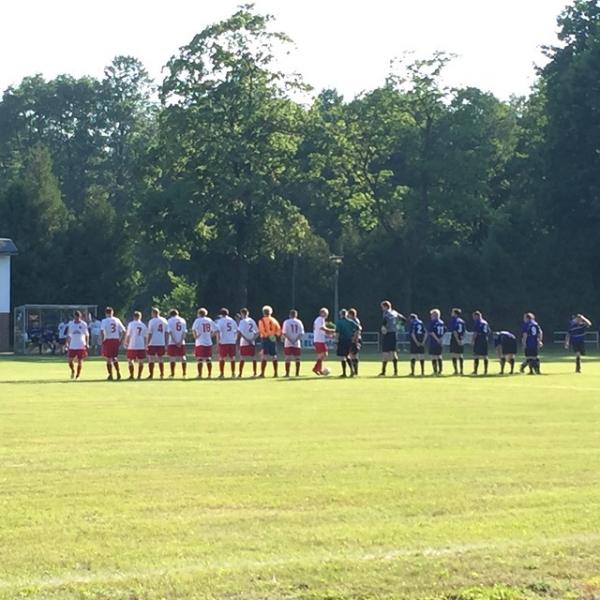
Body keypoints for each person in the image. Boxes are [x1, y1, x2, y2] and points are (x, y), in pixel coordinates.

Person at [379, 301, 405, 377]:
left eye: (382, 307)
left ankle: (383, 372)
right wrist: (398, 327)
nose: (382, 309)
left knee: (385, 353)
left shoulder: (386, 313)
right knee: (393, 352)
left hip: (387, 334)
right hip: (394, 334)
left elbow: (384, 323)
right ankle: (395, 371)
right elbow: (404, 320)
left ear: (386, 307)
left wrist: (383, 329)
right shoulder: (395, 312)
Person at [100, 306, 126, 380]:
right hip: (116, 340)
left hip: (108, 340)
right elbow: (124, 331)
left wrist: (102, 340)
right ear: (112, 312)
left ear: (106, 313)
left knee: (108, 358)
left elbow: (102, 331)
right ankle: (118, 372)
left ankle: (110, 374)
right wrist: (121, 340)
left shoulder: (104, 321)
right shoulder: (117, 320)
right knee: (114, 357)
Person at [192, 308, 217, 378]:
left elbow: (193, 329)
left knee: (199, 358)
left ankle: (200, 375)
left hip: (200, 341)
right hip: (208, 341)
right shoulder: (209, 320)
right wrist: (210, 336)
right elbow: (216, 330)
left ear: (199, 313)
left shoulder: (197, 320)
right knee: (208, 358)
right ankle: (209, 374)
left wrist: (195, 336)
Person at [335, 309, 360, 377]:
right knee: (347, 355)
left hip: (342, 340)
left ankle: (344, 373)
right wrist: (354, 337)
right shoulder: (350, 321)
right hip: (349, 341)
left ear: (341, 314)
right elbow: (358, 328)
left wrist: (336, 341)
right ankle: (352, 370)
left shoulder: (339, 322)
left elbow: (337, 332)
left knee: (342, 357)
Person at [258, 305, 281, 377]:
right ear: (270, 312)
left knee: (264, 355)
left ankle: (262, 373)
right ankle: (275, 373)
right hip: (272, 338)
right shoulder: (274, 320)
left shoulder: (261, 320)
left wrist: (266, 335)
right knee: (274, 355)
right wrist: (275, 335)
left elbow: (261, 330)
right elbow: (279, 329)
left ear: (263, 312)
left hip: (265, 338)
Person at [65, 310, 89, 380]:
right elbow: (68, 334)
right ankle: (72, 370)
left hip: (81, 345)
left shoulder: (83, 324)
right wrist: (66, 343)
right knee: (70, 361)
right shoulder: (71, 324)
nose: (77, 319)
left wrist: (87, 343)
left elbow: (87, 334)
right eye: (76, 317)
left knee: (80, 361)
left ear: (80, 317)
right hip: (72, 345)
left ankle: (78, 375)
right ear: (74, 317)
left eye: (78, 317)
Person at [124, 311, 148, 380]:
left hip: (132, 344)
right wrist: (146, 344)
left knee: (130, 360)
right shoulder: (143, 325)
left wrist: (126, 342)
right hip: (140, 345)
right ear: (140, 317)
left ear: (134, 317)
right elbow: (146, 336)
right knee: (141, 360)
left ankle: (131, 375)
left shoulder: (131, 324)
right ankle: (139, 375)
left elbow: (128, 334)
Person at [216, 308, 238, 379]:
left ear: (221, 314)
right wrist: (235, 338)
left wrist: (218, 341)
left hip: (224, 341)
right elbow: (236, 330)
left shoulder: (220, 321)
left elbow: (218, 331)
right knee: (232, 358)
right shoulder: (232, 320)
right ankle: (233, 373)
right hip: (232, 341)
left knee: (222, 357)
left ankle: (222, 374)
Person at [312, 307, 336, 376]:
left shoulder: (320, 320)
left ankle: (318, 369)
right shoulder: (320, 319)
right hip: (319, 340)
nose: (327, 315)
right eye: (326, 313)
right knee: (324, 354)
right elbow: (322, 328)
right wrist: (332, 330)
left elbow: (322, 331)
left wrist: (330, 335)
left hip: (319, 339)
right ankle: (316, 368)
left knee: (322, 355)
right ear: (322, 313)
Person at [282, 309, 305, 377]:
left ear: (290, 315)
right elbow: (301, 333)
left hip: (288, 342)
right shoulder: (299, 322)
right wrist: (295, 340)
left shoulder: (286, 322)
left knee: (287, 358)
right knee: (297, 358)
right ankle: (297, 373)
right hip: (296, 342)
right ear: (296, 315)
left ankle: (287, 373)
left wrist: (290, 339)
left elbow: (284, 333)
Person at [147, 307, 168, 379]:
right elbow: (166, 332)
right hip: (161, 342)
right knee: (160, 358)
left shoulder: (152, 321)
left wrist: (147, 343)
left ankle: (151, 374)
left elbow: (150, 333)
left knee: (151, 358)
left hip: (153, 342)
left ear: (154, 313)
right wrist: (166, 343)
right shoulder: (164, 320)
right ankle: (162, 374)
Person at [167, 309, 188, 378]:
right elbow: (184, 332)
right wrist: (181, 341)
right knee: (183, 357)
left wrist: (175, 341)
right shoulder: (183, 320)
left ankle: (172, 374)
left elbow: (170, 332)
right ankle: (184, 373)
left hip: (172, 342)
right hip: (181, 342)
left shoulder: (170, 321)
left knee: (172, 358)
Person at [238, 308, 259, 378]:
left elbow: (240, 332)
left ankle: (240, 373)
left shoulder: (242, 321)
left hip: (244, 342)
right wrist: (252, 339)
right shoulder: (252, 320)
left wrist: (247, 339)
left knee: (242, 357)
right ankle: (255, 372)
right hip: (251, 341)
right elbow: (257, 332)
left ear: (242, 314)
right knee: (253, 357)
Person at [471, 311, 491, 376]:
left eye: (474, 316)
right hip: (485, 339)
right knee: (485, 355)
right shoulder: (485, 322)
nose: (473, 318)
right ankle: (485, 370)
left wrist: (473, 340)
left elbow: (475, 332)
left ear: (477, 316)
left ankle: (475, 371)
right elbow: (489, 331)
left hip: (479, 339)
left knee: (476, 355)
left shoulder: (477, 322)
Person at [428, 309, 445, 376]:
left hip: (434, 341)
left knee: (433, 356)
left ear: (435, 315)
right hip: (440, 341)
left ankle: (435, 371)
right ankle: (440, 370)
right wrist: (441, 339)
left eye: (432, 315)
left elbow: (431, 332)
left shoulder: (433, 322)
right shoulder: (442, 322)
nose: (431, 316)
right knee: (439, 355)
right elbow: (444, 331)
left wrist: (437, 339)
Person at [449, 308, 466, 376]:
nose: (451, 313)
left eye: (452, 312)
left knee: (454, 354)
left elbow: (454, 331)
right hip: (461, 338)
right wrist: (461, 339)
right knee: (460, 354)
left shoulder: (454, 320)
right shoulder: (462, 321)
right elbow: (464, 331)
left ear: (455, 314)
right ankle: (461, 370)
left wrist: (457, 340)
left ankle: (456, 370)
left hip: (455, 338)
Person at [347, 308, 362, 376]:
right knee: (352, 355)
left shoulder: (355, 321)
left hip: (355, 339)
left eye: (348, 315)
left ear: (351, 314)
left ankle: (354, 371)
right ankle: (354, 371)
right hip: (354, 339)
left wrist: (355, 339)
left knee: (352, 355)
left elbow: (358, 330)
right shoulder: (354, 320)